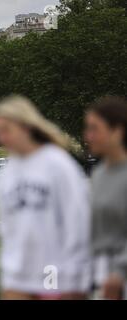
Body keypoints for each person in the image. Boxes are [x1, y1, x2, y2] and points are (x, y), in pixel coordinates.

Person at [0, 95, 91, 300]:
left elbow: (78, 220)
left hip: (52, 269)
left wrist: (74, 274)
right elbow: (6, 228)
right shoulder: (6, 174)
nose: (1, 139)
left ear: (26, 127)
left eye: (6, 130)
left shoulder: (57, 164)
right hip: (17, 275)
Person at [84, 96, 127, 300]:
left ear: (117, 131)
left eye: (95, 128)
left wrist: (119, 273)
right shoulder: (100, 174)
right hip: (101, 276)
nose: (88, 136)